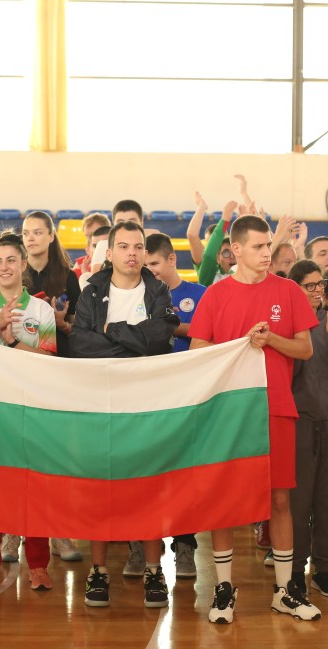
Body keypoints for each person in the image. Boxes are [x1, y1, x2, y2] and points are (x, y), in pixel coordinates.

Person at [189, 215, 318, 624]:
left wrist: (270, 340)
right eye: (259, 246)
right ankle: (224, 589)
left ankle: (284, 591)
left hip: (276, 406)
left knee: (280, 499)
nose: (268, 252)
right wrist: (237, 345)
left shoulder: (289, 291)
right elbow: (197, 350)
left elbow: (305, 349)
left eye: (269, 246)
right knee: (225, 500)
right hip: (228, 411)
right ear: (237, 250)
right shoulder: (215, 295)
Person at [70, 220, 179, 608]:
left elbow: (160, 340)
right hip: (100, 403)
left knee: (149, 488)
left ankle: (153, 569)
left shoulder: (158, 290)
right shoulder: (92, 289)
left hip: (147, 404)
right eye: (124, 246)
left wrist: (112, 330)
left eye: (138, 246)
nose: (132, 253)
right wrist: (134, 342)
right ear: (111, 252)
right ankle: (98, 570)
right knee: (99, 488)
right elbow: (81, 344)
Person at [0, 232, 59, 590]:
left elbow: (49, 358)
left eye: (10, 260)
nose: (4, 267)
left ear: (23, 265)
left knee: (35, 488)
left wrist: (14, 341)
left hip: (31, 407)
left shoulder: (41, 310)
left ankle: (38, 565)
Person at [286, 260, 328, 603]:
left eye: (319, 285)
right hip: (300, 419)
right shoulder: (286, 325)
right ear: (294, 288)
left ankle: (323, 568)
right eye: (309, 285)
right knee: (299, 500)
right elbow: (287, 373)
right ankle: (295, 569)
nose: (316, 291)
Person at [144, 233, 207, 578]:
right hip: (152, 396)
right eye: (146, 265)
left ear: (171, 259)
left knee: (186, 475)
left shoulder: (199, 294)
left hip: (190, 397)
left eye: (155, 263)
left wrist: (171, 326)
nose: (151, 270)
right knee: (149, 473)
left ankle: (185, 545)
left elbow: (210, 332)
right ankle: (141, 546)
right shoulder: (139, 295)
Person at [22, 211, 81, 358]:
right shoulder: (14, 275)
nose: (30, 238)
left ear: (51, 236)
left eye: (37, 233)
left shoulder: (68, 277)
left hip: (60, 357)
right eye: (25, 233)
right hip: (21, 354)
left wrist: (61, 324)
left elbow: (80, 332)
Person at [73, 212, 112, 276]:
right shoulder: (81, 263)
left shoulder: (116, 260)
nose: (90, 239)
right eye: (87, 236)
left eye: (95, 233)